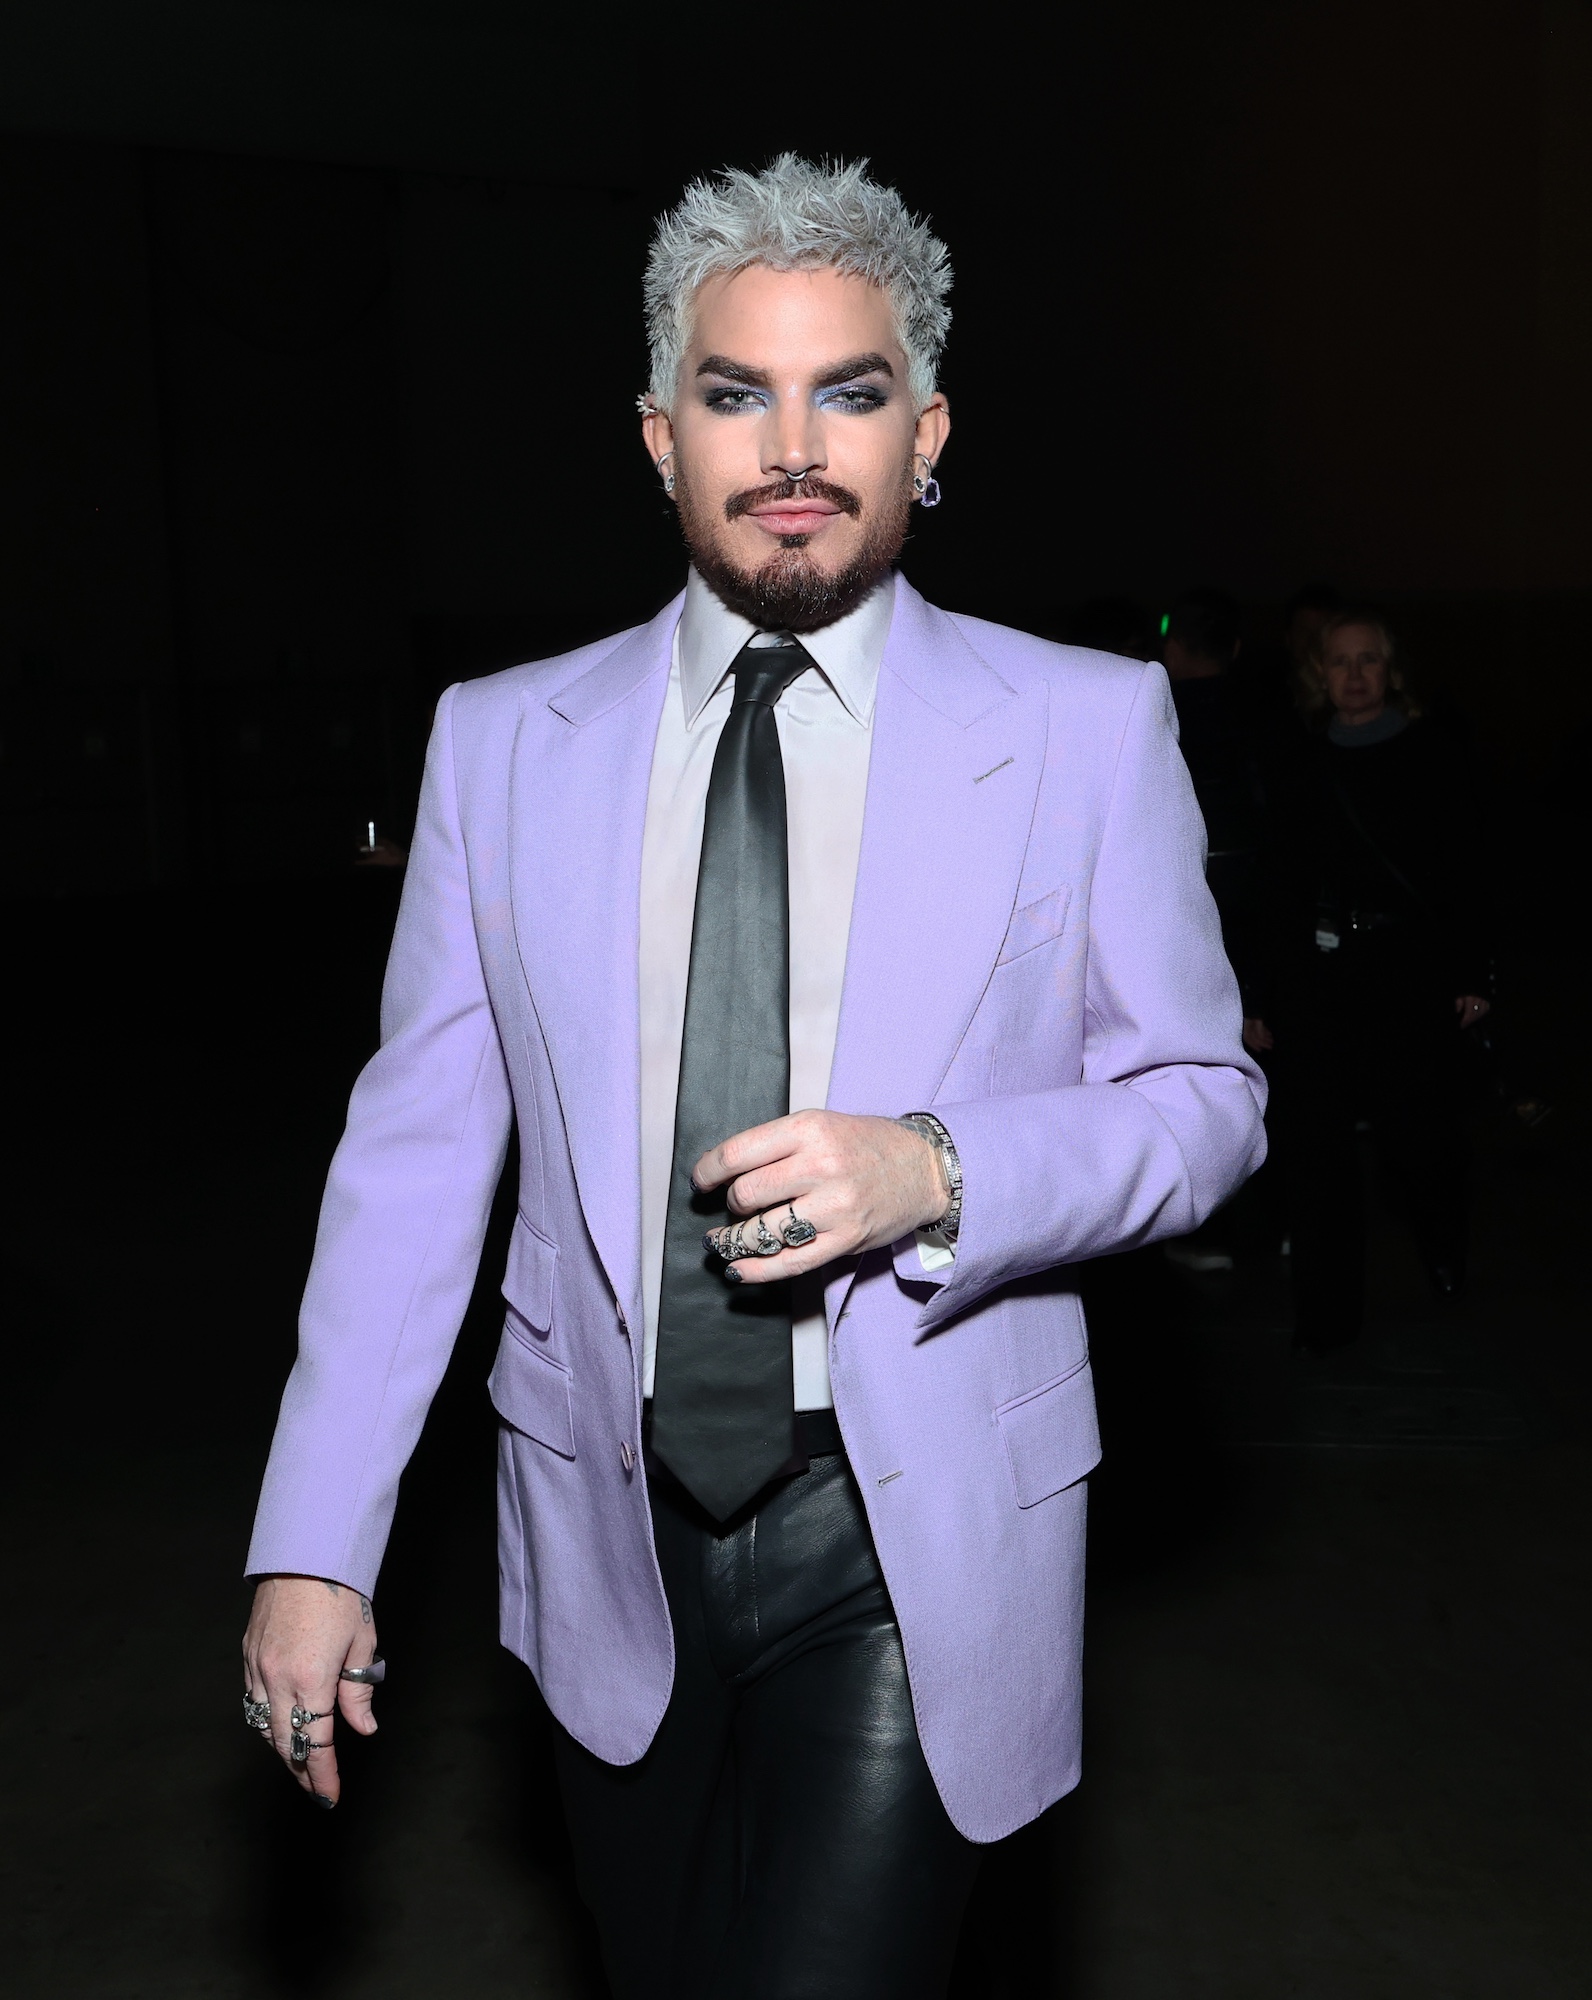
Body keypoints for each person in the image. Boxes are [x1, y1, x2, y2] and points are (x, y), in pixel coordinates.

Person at [240, 157, 1266, 1999]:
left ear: (924, 433)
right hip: (604, 1526)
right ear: (660, 436)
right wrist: (317, 1544)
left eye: (847, 392)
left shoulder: (1084, 726)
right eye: (736, 394)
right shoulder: (502, 744)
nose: (793, 448)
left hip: (912, 1535)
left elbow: (1206, 1101)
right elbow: (412, 1171)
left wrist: (939, 1169)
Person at [1250, 609, 1490, 1350]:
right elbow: (1278, 883)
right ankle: (1326, 1317)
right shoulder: (1301, 759)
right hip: (1319, 976)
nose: (1355, 675)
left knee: (1418, 1135)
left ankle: (1441, 1235)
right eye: (1340, 661)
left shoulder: (1433, 753)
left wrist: (1472, 972)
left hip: (1408, 972)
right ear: (1319, 674)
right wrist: (1262, 994)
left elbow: (1467, 867)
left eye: (1369, 660)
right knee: (1316, 1150)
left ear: (1391, 670)